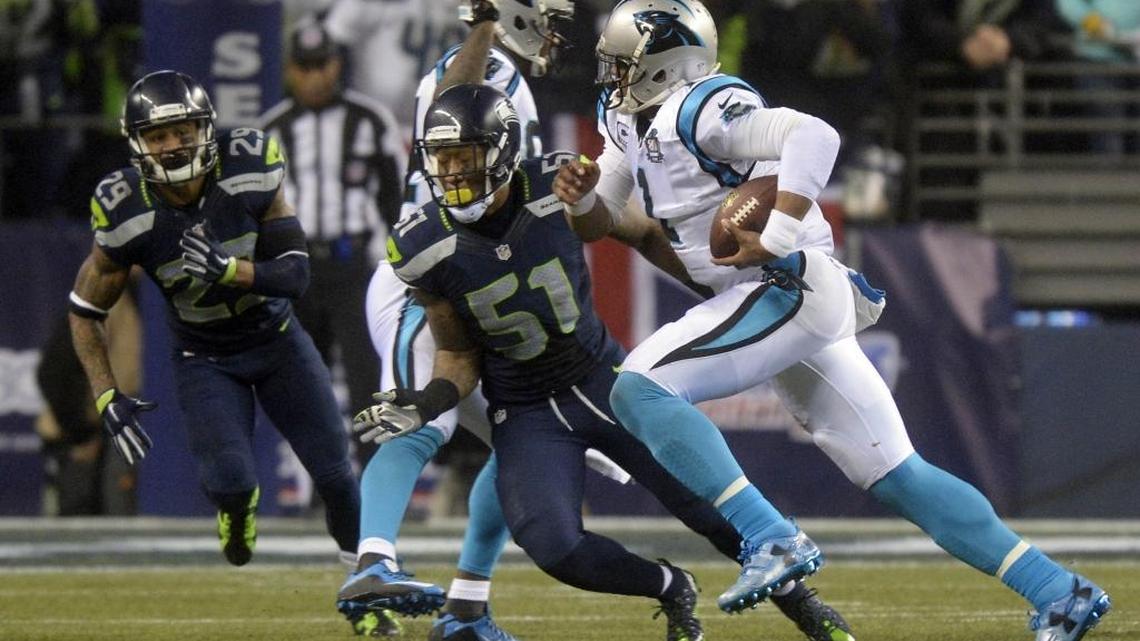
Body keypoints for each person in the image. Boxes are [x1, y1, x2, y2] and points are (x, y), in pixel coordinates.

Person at [554, 2, 1112, 641]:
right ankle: (1059, 591)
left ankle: (770, 536)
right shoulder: (627, 116)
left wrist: (778, 235)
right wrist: (582, 198)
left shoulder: (703, 107)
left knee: (641, 387)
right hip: (762, 296)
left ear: (668, 63)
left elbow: (814, 135)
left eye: (624, 63)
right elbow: (605, 217)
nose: (613, 76)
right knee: (899, 475)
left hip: (787, 282)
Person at [67, 69, 361, 582]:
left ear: (205, 129)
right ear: (137, 145)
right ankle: (237, 509)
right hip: (205, 358)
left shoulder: (247, 165)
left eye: (182, 131)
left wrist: (231, 271)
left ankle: (367, 583)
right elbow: (84, 311)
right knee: (230, 481)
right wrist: (105, 393)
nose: (173, 147)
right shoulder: (124, 208)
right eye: (158, 136)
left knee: (336, 474)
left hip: (276, 340)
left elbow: (295, 274)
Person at [260, 23, 406, 468]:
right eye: (305, 67)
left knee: (368, 381)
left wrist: (401, 268)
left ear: (337, 64)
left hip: (354, 267)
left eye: (322, 64)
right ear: (290, 71)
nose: (315, 76)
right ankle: (322, 484)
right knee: (305, 383)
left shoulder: (370, 120)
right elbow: (255, 211)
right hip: (298, 270)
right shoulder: (271, 130)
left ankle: (372, 481)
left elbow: (397, 200)